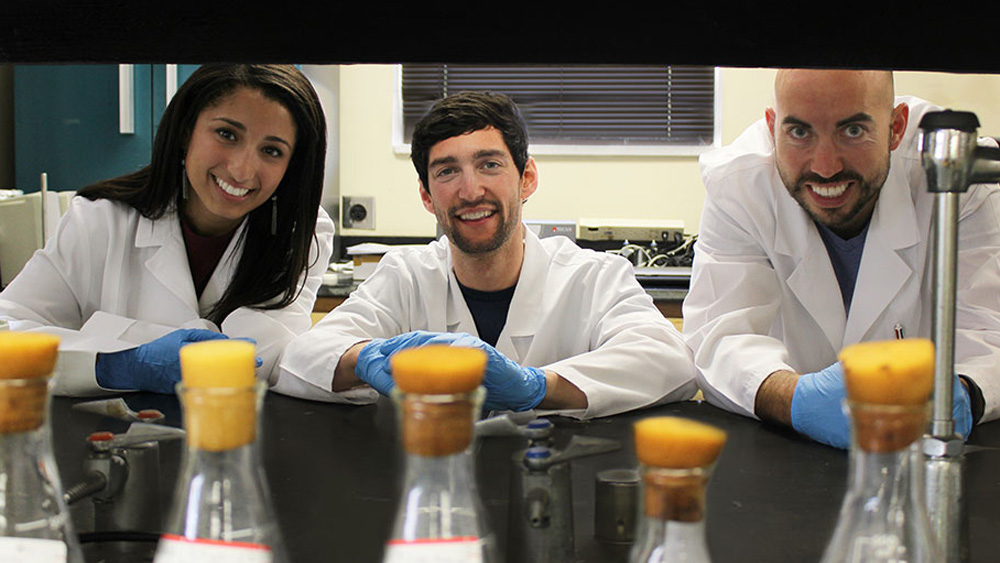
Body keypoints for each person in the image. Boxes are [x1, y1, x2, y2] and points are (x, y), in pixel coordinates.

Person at [278, 91, 697, 417]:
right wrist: (364, 359)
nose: (470, 190)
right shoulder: (406, 275)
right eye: (446, 171)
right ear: (427, 196)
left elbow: (671, 363)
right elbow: (298, 358)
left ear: (527, 178)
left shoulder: (593, 277)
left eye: (489, 165)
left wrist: (538, 385)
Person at [683, 69, 1000, 449]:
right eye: (799, 133)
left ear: (896, 127)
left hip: (921, 449)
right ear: (773, 128)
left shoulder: (953, 172)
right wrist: (795, 398)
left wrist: (959, 393)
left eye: (852, 131)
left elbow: (987, 330)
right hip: (790, 454)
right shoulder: (739, 183)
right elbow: (719, 335)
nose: (825, 166)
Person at [0, 64, 334, 396]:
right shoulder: (98, 221)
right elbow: (7, 333)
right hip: (111, 435)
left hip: (233, 430)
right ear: (187, 131)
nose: (242, 170)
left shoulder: (303, 234)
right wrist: (118, 364)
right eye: (227, 134)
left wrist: (112, 332)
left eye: (272, 151)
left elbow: (270, 357)